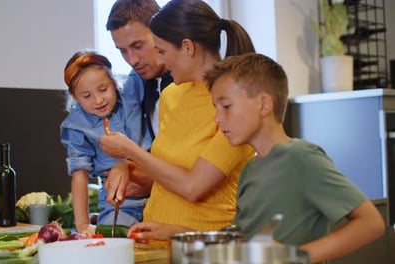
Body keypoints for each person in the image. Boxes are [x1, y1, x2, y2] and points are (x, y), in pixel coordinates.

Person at [129, 53, 386, 263]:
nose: (218, 119)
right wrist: (177, 232)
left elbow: (371, 223)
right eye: (216, 109)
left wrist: (298, 256)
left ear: (264, 105)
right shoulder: (252, 169)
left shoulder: (301, 157)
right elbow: (242, 241)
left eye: (226, 107)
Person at [100, 0, 255, 232]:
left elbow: (193, 186)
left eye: (161, 51)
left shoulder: (237, 106)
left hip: (203, 248)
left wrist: (129, 150)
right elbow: (166, 170)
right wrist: (125, 167)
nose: (160, 61)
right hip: (152, 238)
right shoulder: (171, 95)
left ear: (188, 47)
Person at [60, 51, 153, 235]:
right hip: (121, 203)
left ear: (114, 82)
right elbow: (80, 176)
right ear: (75, 97)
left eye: (103, 89)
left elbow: (145, 58)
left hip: (160, 191)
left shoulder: (130, 93)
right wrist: (83, 225)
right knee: (115, 239)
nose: (99, 100)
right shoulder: (77, 126)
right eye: (86, 96)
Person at [106, 0, 173, 141]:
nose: (132, 60)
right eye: (123, 51)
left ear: (160, 33)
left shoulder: (195, 80)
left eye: (137, 46)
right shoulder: (134, 86)